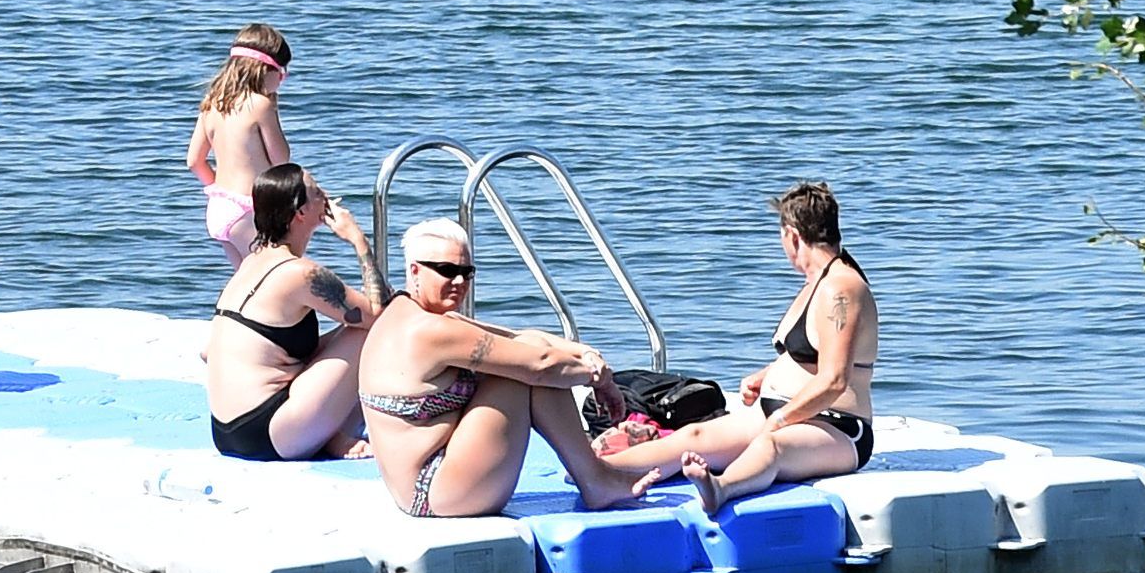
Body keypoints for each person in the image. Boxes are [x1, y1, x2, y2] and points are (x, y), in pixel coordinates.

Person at [358, 220, 659, 517]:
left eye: (467, 272)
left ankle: (595, 477)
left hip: (431, 487)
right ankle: (595, 479)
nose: (460, 282)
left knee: (526, 355)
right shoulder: (430, 331)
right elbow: (538, 366)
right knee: (524, 373)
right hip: (435, 491)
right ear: (415, 271)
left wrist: (586, 353)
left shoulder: (410, 311)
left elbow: (514, 337)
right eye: (448, 271)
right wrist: (598, 380)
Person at [607, 181, 879, 506]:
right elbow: (814, 354)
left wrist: (779, 420)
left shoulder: (841, 290)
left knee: (771, 448)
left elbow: (834, 380)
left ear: (792, 235)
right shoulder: (818, 281)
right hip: (785, 413)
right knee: (694, 437)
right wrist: (767, 376)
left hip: (836, 427)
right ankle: (597, 471)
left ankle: (720, 488)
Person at [204, 163, 381, 460]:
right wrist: (358, 240)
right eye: (317, 192)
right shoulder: (299, 273)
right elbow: (378, 314)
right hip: (268, 431)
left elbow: (207, 352)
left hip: (226, 433)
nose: (326, 197)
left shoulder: (251, 263)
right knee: (372, 332)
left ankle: (328, 435)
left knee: (350, 328)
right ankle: (345, 432)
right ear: (300, 213)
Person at [185, 23, 348, 267]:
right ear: (264, 70)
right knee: (273, 274)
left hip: (220, 207)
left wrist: (220, 189)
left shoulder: (212, 103)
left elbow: (194, 162)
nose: (282, 81)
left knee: (244, 283)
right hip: (249, 210)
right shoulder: (260, 105)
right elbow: (281, 161)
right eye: (281, 73)